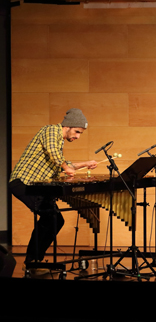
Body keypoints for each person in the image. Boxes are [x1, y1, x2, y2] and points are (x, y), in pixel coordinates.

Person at [9, 108, 98, 266]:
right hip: (23, 183)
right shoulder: (51, 130)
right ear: (67, 126)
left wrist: (85, 164)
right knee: (50, 218)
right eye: (77, 132)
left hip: (37, 187)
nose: (78, 136)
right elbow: (54, 153)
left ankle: (34, 261)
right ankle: (33, 262)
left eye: (80, 133)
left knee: (56, 220)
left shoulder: (58, 143)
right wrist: (66, 167)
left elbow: (60, 162)